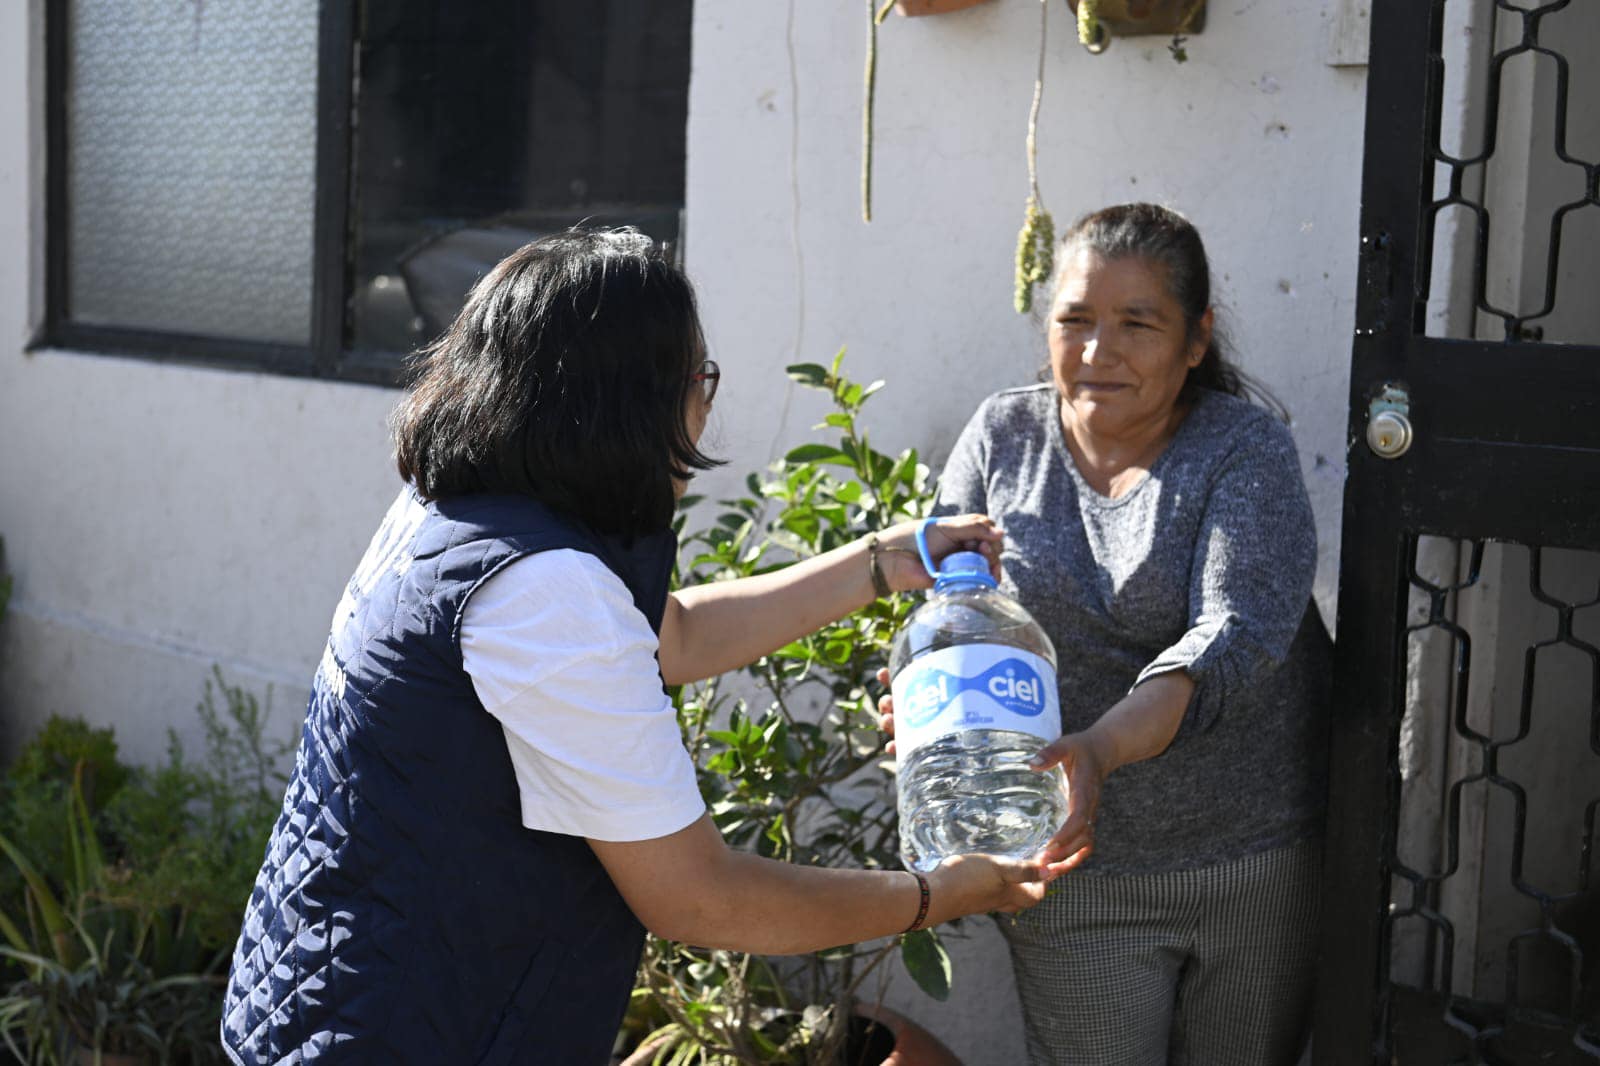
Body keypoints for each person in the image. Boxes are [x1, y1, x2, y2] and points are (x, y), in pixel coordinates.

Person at [219, 229, 1065, 1065]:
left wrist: (890, 559)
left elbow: (676, 635)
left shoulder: (465, 513)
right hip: (413, 1029)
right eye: (701, 378)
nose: (706, 403)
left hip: (341, 991)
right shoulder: (541, 590)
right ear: (629, 402)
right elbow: (701, 896)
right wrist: (938, 893)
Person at [881, 203, 1332, 1065]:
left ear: (1196, 340)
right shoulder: (1003, 438)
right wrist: (929, 709)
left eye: (1137, 323)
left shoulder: (1244, 450)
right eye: (1075, 320)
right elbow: (950, 611)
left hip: (1253, 857)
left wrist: (1100, 749)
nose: (1098, 351)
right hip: (1071, 868)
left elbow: (1230, 638)